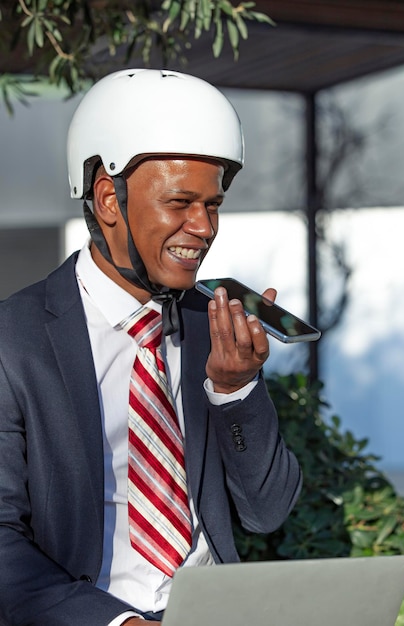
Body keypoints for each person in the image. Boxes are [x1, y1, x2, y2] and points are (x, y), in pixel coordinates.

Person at [0, 69, 302, 626]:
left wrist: (236, 390)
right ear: (108, 199)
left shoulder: (211, 323)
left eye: (213, 205)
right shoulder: (13, 341)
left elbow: (266, 512)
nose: (204, 226)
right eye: (181, 201)